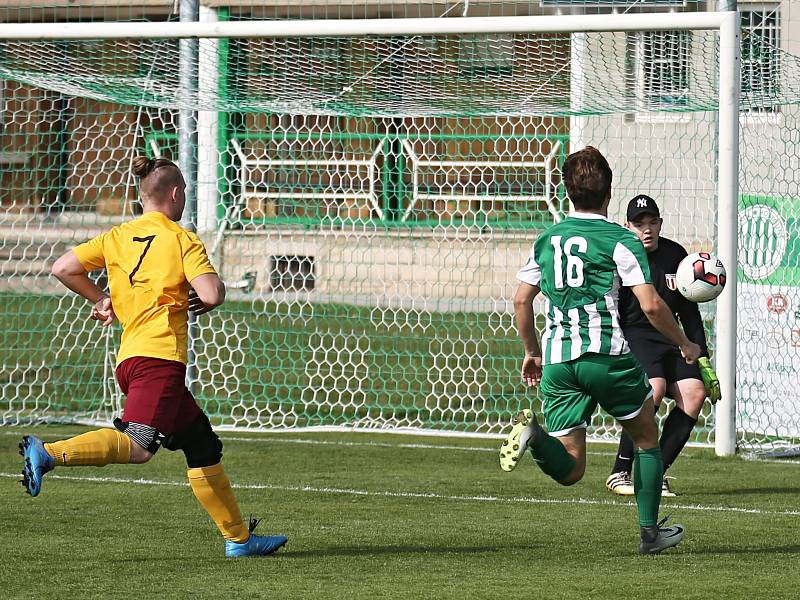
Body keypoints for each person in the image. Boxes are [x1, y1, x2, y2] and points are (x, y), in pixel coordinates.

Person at [19, 156, 287, 558]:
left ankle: (239, 540)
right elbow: (211, 293)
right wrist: (216, 293)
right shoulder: (182, 239)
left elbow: (63, 267)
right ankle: (50, 453)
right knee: (141, 446)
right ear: (176, 194)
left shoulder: (116, 237)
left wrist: (102, 298)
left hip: (131, 361)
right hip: (159, 360)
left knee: (202, 446)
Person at [499, 146, 701, 555]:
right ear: (608, 194)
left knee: (571, 468)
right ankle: (649, 535)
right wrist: (684, 343)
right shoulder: (620, 239)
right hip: (605, 355)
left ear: (567, 192)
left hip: (558, 362)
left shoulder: (547, 239)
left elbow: (521, 302)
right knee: (646, 436)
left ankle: (535, 435)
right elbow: (650, 304)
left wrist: (532, 351)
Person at [605, 194, 720, 498]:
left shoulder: (676, 255)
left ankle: (656, 475)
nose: (646, 229)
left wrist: (703, 362)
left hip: (670, 339)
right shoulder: (623, 256)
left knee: (695, 393)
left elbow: (689, 312)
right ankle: (620, 471)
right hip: (635, 336)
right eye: (639, 223)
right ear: (627, 226)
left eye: (652, 222)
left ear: (660, 223)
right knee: (653, 387)